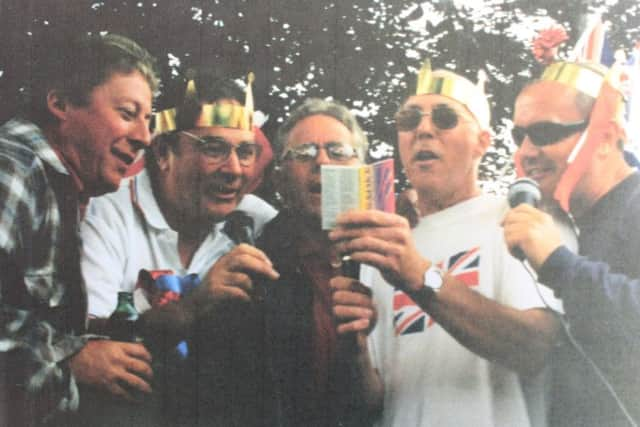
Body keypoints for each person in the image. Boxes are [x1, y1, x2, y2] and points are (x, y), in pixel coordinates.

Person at [329, 64, 563, 427]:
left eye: (445, 118)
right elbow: (374, 401)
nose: (423, 129)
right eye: (409, 120)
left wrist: (420, 277)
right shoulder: (386, 239)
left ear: (482, 143)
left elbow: (537, 348)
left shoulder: (517, 220)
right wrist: (356, 347)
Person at [78, 71, 278, 425]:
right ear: (164, 151)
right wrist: (194, 306)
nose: (234, 170)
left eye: (245, 152)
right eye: (213, 149)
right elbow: (95, 349)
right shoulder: (106, 211)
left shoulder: (255, 222)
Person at [190, 98, 382, 427]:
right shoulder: (251, 270)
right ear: (279, 182)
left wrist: (359, 351)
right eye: (304, 153)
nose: (321, 161)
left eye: (337, 151)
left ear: (362, 173)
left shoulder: (386, 264)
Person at [0, 33, 158, 426]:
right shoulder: (13, 172)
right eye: (127, 112)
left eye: (148, 120)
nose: (144, 137)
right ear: (60, 104)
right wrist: (71, 370)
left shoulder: (63, 193)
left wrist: (79, 351)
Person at [503, 60, 640, 426]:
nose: (527, 152)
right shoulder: (570, 223)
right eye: (520, 136)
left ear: (606, 138)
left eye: (545, 132)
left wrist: (558, 264)